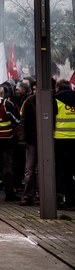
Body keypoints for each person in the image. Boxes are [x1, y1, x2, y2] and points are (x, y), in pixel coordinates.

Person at [0, 85, 21, 202]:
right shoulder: (6, 104)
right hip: (6, 141)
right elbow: (17, 121)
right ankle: (9, 193)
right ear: (2, 94)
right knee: (7, 167)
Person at [53, 79, 75, 211]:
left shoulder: (54, 100)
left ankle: (68, 201)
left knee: (64, 172)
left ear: (58, 87)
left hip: (60, 140)